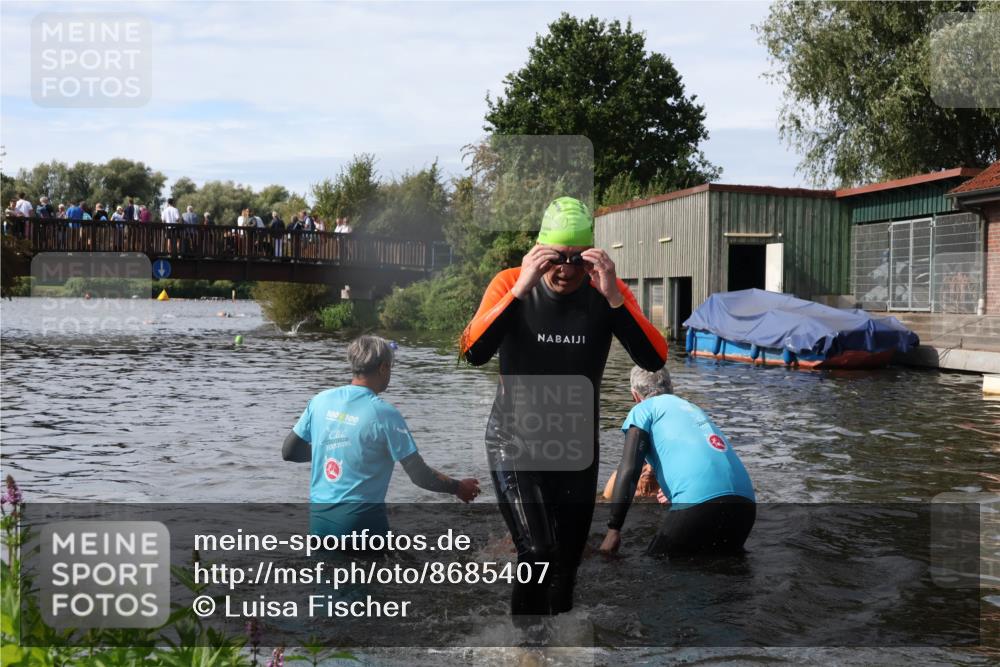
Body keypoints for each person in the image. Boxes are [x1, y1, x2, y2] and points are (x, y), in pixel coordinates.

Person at [460, 196, 667, 622]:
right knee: (536, 551)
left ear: (590, 256)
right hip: (513, 441)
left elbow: (653, 358)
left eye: (577, 258)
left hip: (574, 449)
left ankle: (558, 649)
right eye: (556, 257)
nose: (566, 269)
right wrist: (520, 291)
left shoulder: (606, 292)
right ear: (540, 251)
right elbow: (474, 351)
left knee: (567, 569)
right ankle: (523, 650)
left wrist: (612, 297)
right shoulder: (510, 283)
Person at [282, 335, 479, 539]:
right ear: (383, 367)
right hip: (362, 525)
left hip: (320, 525)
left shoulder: (320, 400)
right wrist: (458, 487)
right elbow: (419, 475)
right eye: (391, 367)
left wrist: (334, 448)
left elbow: (289, 451)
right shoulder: (384, 414)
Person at [600, 366, 756, 557]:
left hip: (700, 501)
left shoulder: (643, 410)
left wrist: (613, 529)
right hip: (746, 505)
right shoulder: (693, 408)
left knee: (654, 572)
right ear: (671, 387)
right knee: (727, 571)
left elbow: (630, 467)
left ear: (635, 396)